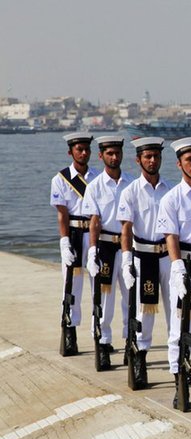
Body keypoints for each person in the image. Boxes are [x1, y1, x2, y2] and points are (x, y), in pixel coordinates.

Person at [156, 137, 191, 407]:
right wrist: (177, 266)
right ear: (179, 164)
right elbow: (171, 237)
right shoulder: (171, 199)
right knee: (180, 327)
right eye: (189, 160)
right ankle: (179, 377)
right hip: (185, 265)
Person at [118, 137, 173, 386]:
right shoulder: (130, 192)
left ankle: (178, 365)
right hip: (144, 257)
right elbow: (126, 229)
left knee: (177, 311)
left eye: (156, 156)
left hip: (168, 257)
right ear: (138, 160)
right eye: (148, 157)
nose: (152, 161)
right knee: (144, 312)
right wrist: (127, 258)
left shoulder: (170, 189)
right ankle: (140, 358)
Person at [83, 136, 133, 368]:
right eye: (110, 153)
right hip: (105, 244)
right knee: (105, 299)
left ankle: (130, 341)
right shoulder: (94, 186)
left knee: (131, 297)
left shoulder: (131, 183)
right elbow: (94, 221)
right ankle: (103, 342)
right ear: (101, 156)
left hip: (127, 245)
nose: (114, 157)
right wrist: (92, 250)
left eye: (117, 153)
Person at [50, 132, 100, 356]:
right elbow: (62, 214)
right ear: (71, 152)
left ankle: (99, 334)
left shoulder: (98, 177)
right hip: (73, 234)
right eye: (79, 149)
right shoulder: (60, 179)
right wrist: (63, 241)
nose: (83, 153)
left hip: (94, 233)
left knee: (99, 286)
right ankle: (69, 330)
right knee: (71, 286)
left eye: (86, 149)